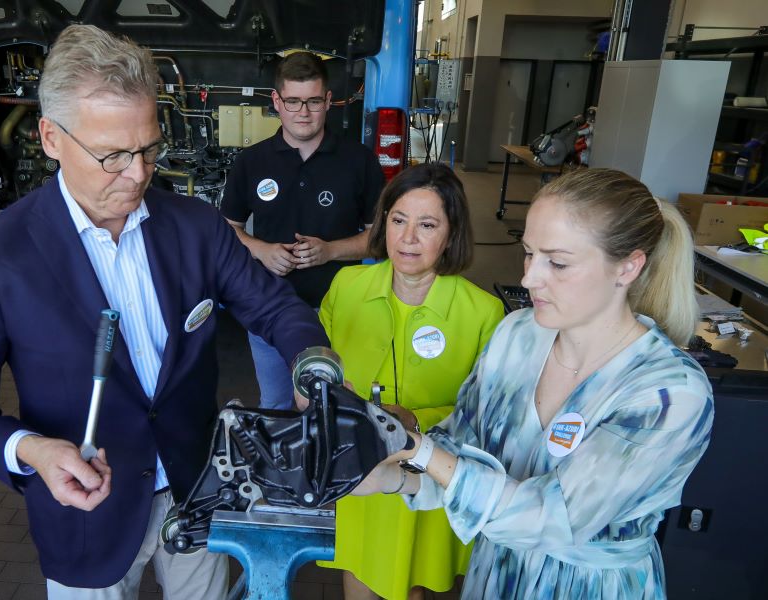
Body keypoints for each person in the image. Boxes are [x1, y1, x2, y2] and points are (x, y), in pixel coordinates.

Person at [0, 25, 328, 599]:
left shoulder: (195, 227)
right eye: (112, 155)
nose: (137, 174)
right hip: (87, 519)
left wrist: (313, 361)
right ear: (51, 138)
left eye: (148, 149)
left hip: (194, 497)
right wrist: (31, 450)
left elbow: (274, 305)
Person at [354, 168, 714, 599]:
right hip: (494, 577)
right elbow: (460, 449)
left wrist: (418, 449)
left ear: (628, 267)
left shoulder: (669, 392)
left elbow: (553, 518)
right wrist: (389, 475)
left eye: (557, 262)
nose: (528, 278)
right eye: (529, 254)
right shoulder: (518, 335)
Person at [315, 163, 504, 600]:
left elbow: (486, 415)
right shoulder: (348, 286)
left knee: (415, 586)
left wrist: (415, 419)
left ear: (451, 233)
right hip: (359, 468)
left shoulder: (483, 313)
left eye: (427, 224)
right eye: (398, 220)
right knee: (358, 571)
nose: (408, 238)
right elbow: (319, 368)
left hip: (432, 473)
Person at [221, 51, 385, 410]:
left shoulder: (359, 162)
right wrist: (261, 250)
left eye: (313, 101)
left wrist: (330, 250)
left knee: (342, 408)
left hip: (342, 311)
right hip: (269, 306)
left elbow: (380, 239)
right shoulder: (252, 162)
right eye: (293, 101)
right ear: (276, 102)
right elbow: (227, 230)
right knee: (277, 405)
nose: (303, 112)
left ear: (328, 101)